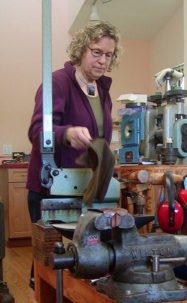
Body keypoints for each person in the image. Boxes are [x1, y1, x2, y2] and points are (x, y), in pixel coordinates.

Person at [26, 21, 122, 223]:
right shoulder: (57, 83)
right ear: (81, 50)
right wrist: (67, 134)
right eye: (96, 52)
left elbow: (100, 140)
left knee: (88, 253)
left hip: (86, 188)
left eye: (108, 55)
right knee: (56, 253)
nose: (102, 60)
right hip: (52, 190)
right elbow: (37, 132)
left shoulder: (103, 91)